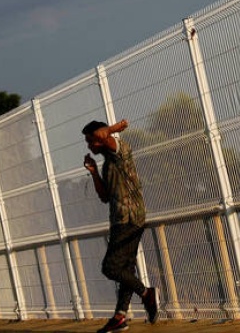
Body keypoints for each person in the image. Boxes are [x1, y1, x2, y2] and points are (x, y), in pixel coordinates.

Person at [82, 119, 157, 333]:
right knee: (126, 268)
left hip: (130, 218)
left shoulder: (119, 149)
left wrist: (115, 128)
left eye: (90, 141)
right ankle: (120, 316)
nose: (90, 146)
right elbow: (105, 197)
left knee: (111, 267)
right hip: (120, 219)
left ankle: (146, 294)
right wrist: (94, 172)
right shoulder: (107, 164)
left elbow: (103, 136)